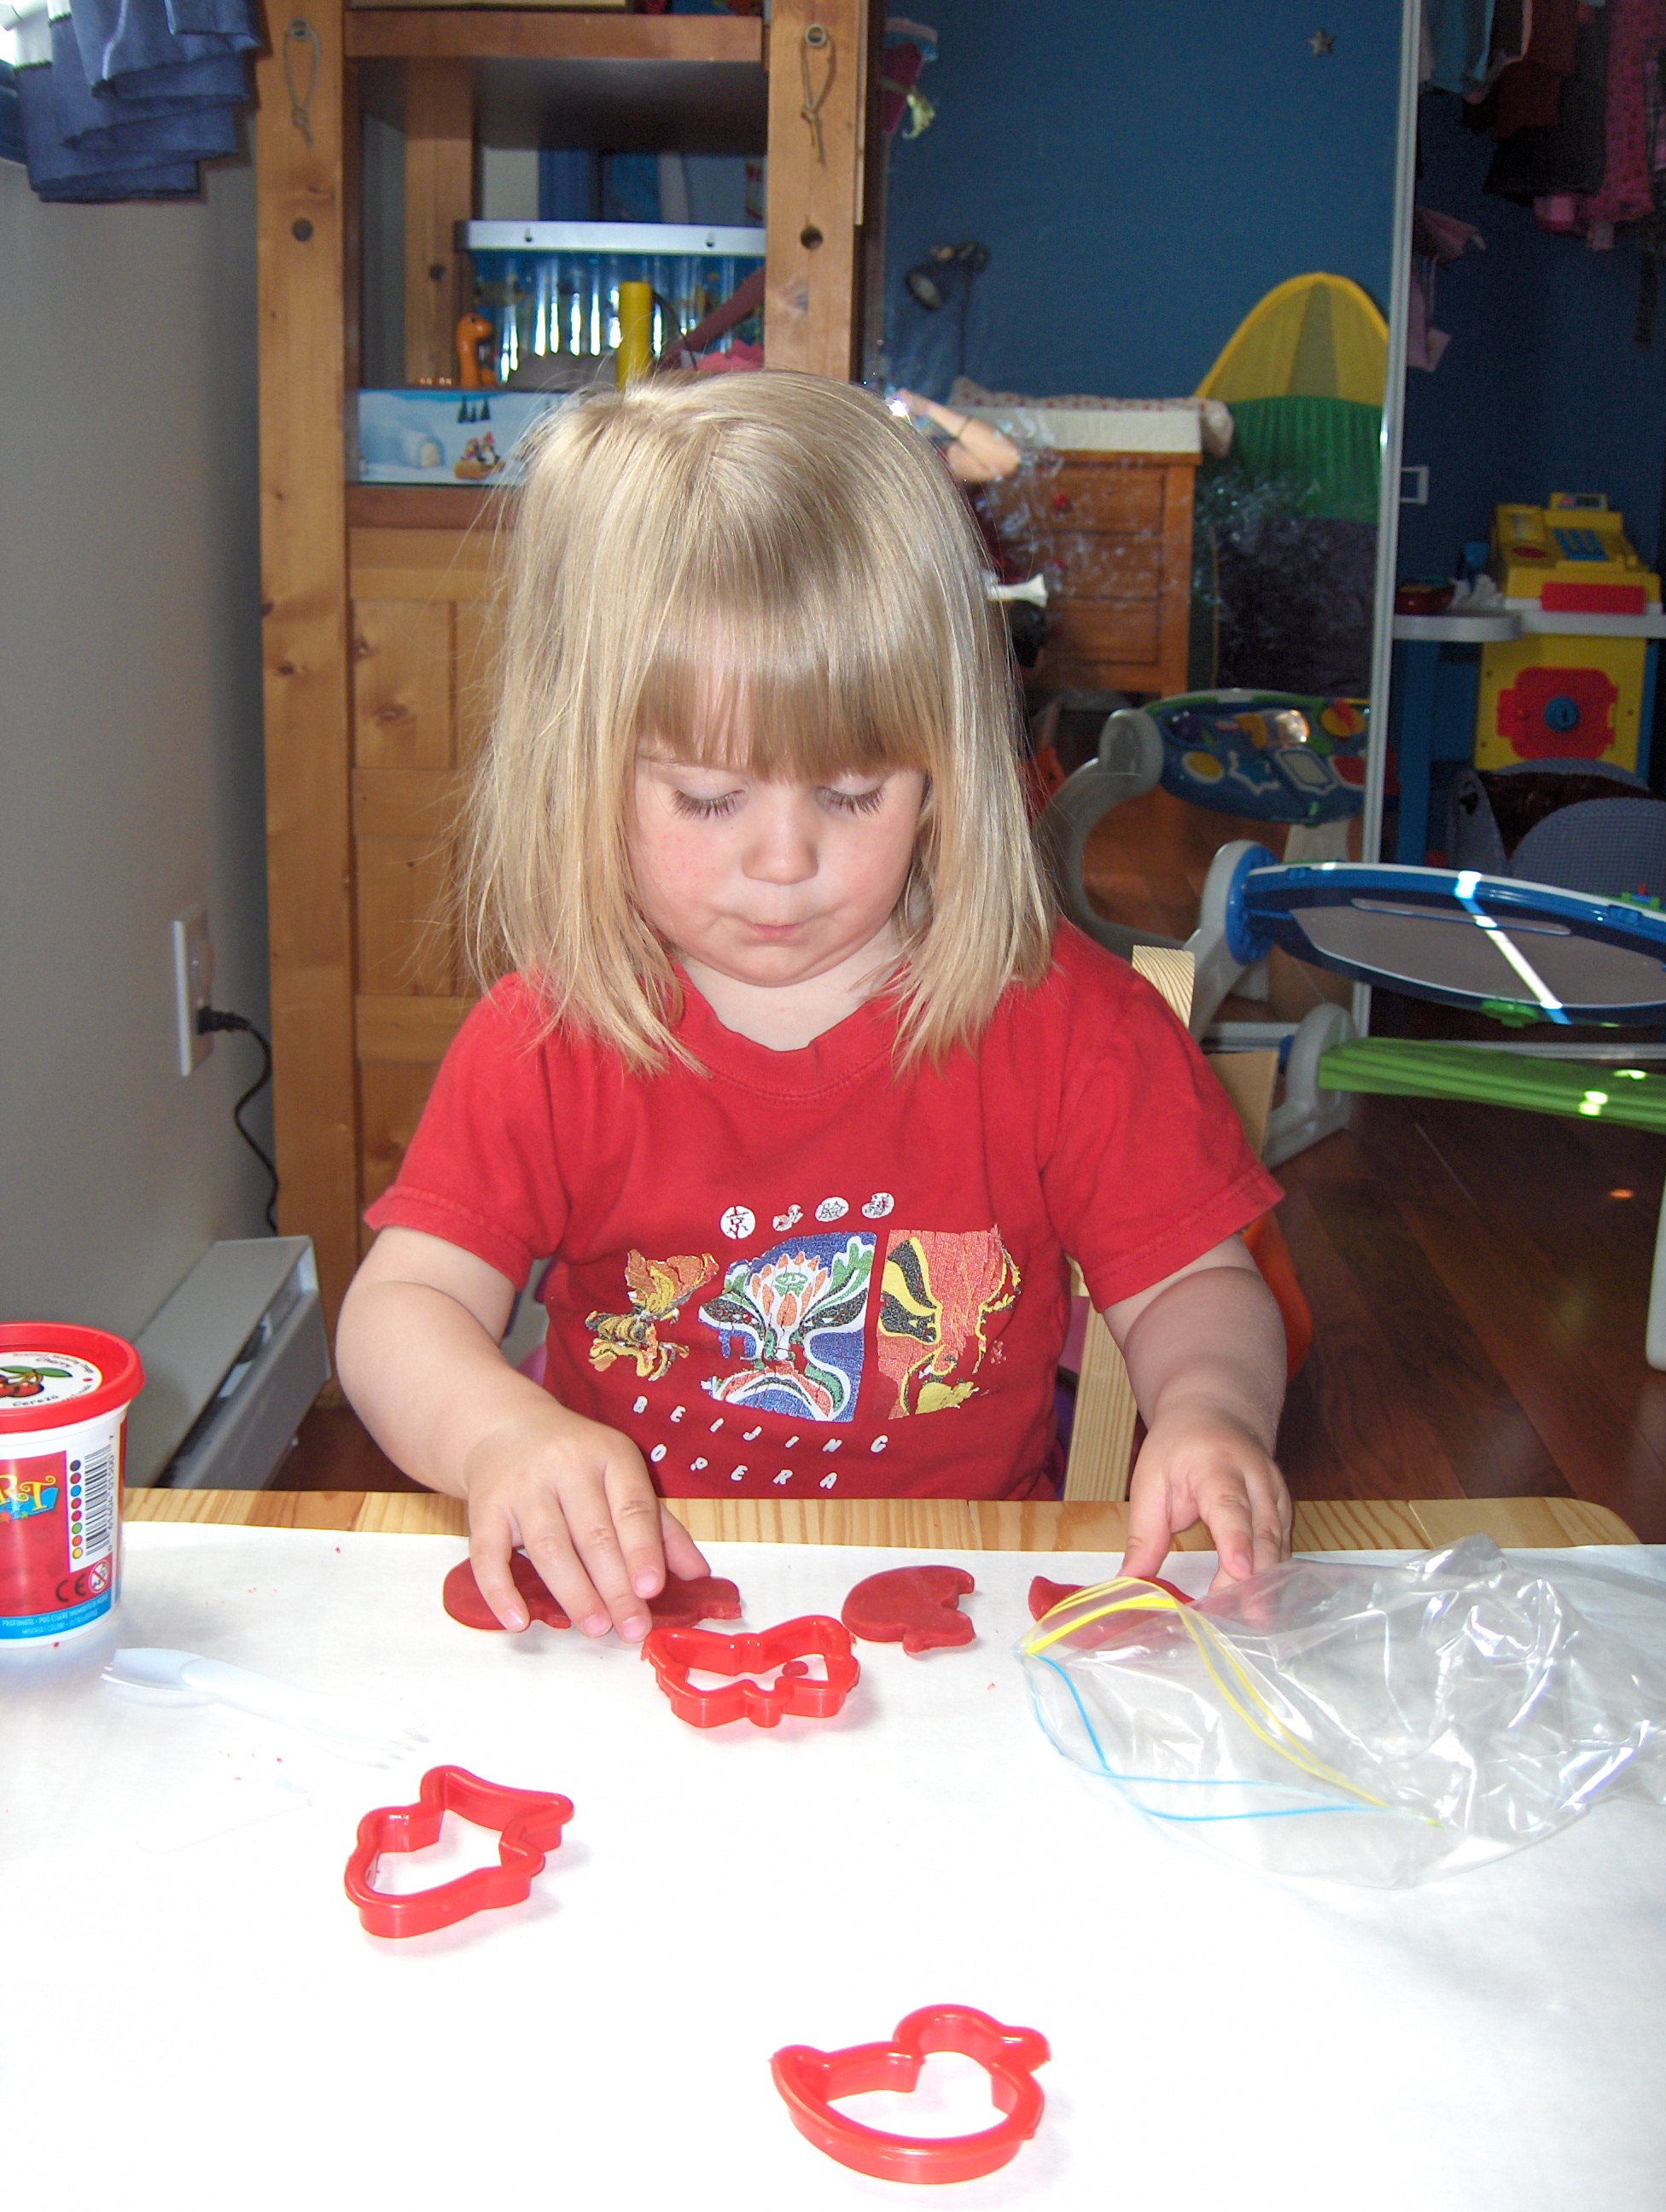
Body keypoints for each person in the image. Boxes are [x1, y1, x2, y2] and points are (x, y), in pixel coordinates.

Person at [335, 372, 1290, 1646]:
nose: (783, 861)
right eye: (708, 798)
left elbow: (1197, 1288)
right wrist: (499, 1431)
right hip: (632, 1609)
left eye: (851, 793)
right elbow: (399, 1311)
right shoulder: (551, 1039)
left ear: (945, 772)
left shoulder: (1070, 1029)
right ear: (586, 771)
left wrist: (1211, 1410)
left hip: (958, 1620)